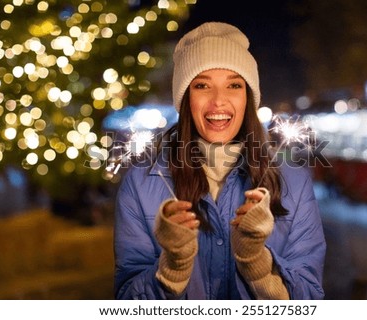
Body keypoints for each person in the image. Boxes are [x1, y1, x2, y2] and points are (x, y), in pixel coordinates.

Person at [114, 22, 326, 299]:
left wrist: (258, 265)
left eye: (234, 85)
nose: (218, 102)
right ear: (185, 98)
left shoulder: (293, 183)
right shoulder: (140, 185)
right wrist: (172, 268)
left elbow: (310, 297)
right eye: (202, 85)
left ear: (248, 97)